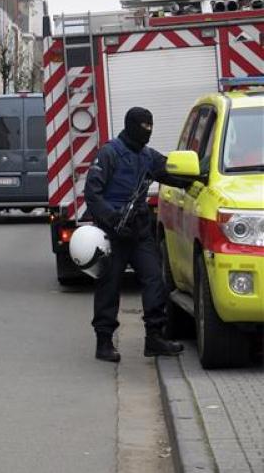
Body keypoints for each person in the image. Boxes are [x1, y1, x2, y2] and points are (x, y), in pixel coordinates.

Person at [84, 107, 189, 363]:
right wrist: (112, 217)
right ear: (131, 126)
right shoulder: (110, 154)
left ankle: (155, 338)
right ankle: (104, 341)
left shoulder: (147, 156)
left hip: (140, 231)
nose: (148, 133)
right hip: (114, 232)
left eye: (151, 128)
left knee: (155, 280)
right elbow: (92, 193)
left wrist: (198, 178)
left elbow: (171, 173)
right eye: (144, 128)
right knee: (109, 286)